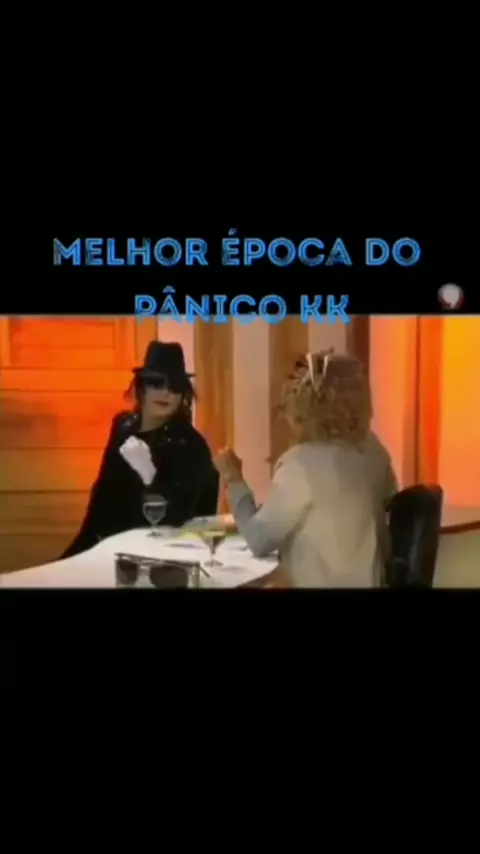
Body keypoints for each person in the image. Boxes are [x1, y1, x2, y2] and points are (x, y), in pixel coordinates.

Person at [216, 350, 398, 587]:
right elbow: (389, 499)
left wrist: (233, 477)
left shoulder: (301, 463)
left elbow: (258, 540)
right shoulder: (372, 448)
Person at [62, 341, 219, 558]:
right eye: (156, 383)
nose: (165, 393)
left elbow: (178, 520)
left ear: (182, 395)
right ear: (142, 387)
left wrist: (150, 476)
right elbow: (103, 496)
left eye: (174, 387)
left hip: (159, 553)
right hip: (108, 545)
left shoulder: (190, 444)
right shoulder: (123, 426)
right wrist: (80, 550)